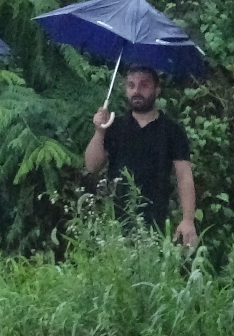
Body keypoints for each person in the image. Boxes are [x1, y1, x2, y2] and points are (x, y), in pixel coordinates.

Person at [84, 66, 197, 246]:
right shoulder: (115, 126)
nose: (136, 91)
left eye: (144, 85)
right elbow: (91, 166)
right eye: (131, 85)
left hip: (156, 224)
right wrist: (99, 131)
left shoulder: (172, 131)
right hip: (115, 224)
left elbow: (184, 176)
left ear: (157, 90)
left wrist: (188, 220)